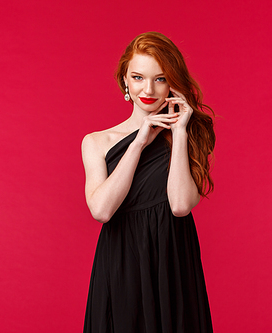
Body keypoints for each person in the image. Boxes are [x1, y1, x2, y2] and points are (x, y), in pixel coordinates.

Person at [82, 32, 215, 333]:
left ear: (172, 84)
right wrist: (140, 140)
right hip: (122, 264)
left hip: (173, 264)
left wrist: (179, 131)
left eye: (160, 79)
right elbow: (101, 210)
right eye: (138, 77)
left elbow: (180, 206)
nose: (148, 89)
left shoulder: (189, 137)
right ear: (124, 82)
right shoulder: (96, 142)